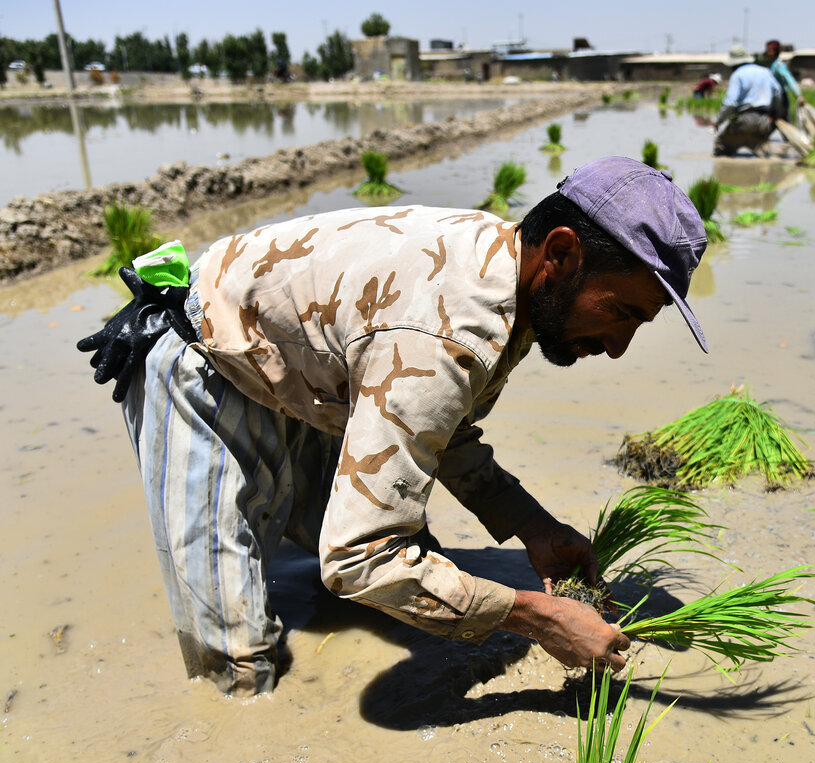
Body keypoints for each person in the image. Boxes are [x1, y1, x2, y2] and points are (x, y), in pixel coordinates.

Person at [76, 157, 709, 696]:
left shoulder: (513, 271)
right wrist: (542, 619)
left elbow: (445, 426)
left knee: (381, 564)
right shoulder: (446, 330)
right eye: (621, 312)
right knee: (238, 670)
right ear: (563, 253)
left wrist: (533, 526)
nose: (620, 344)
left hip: (313, 377)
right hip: (208, 362)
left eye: (639, 323)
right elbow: (358, 559)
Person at [714, 45, 782, 157]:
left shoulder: (737, 74)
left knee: (720, 146)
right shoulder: (765, 71)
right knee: (763, 155)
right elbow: (778, 93)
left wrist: (719, 121)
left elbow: (730, 102)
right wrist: (774, 115)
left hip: (745, 121)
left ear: (734, 64)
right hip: (765, 122)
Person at [763, 40, 804, 123]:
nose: (767, 53)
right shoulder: (772, 65)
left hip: (780, 98)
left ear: (775, 52)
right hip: (773, 98)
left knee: (784, 121)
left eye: (769, 51)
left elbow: (788, 79)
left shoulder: (779, 65)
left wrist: (798, 95)